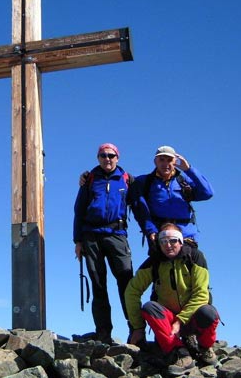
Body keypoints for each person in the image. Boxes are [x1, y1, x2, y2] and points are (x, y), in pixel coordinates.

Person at [125, 224, 220, 374]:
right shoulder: (154, 262)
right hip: (168, 322)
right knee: (150, 307)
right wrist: (138, 327)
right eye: (163, 241)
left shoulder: (195, 257)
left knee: (208, 312)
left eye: (173, 241)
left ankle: (204, 348)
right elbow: (132, 291)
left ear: (181, 241)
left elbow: (202, 294)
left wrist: (180, 320)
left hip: (191, 318)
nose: (168, 245)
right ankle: (180, 353)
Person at [73, 142, 134, 344]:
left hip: (117, 234)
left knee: (127, 283)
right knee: (98, 285)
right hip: (91, 236)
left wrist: (151, 232)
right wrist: (78, 240)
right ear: (98, 158)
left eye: (111, 155)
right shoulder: (90, 180)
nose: (107, 159)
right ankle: (103, 333)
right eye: (103, 155)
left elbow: (141, 206)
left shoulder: (126, 180)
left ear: (118, 157)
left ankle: (135, 331)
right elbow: (79, 211)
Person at [131, 145, 213, 249]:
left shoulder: (183, 181)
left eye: (169, 160)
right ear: (155, 161)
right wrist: (150, 230)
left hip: (186, 235)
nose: (165, 164)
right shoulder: (144, 182)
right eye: (162, 160)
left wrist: (188, 169)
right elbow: (139, 208)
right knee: (159, 264)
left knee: (191, 261)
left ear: (175, 162)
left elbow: (207, 193)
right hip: (159, 234)